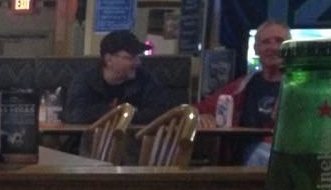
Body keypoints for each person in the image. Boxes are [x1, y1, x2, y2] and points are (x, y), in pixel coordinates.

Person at [196, 20, 291, 166]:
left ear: (290, 47)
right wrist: (201, 116)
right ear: (256, 48)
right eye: (266, 42)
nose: (273, 47)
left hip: (284, 157)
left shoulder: (301, 88)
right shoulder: (242, 85)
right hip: (241, 162)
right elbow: (195, 110)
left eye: (279, 41)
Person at [61, 30, 179, 126]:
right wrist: (119, 112)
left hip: (134, 145)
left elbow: (162, 112)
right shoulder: (86, 80)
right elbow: (73, 114)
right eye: (131, 57)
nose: (138, 62)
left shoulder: (144, 78)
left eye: (138, 57)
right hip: (88, 147)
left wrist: (119, 114)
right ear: (109, 59)